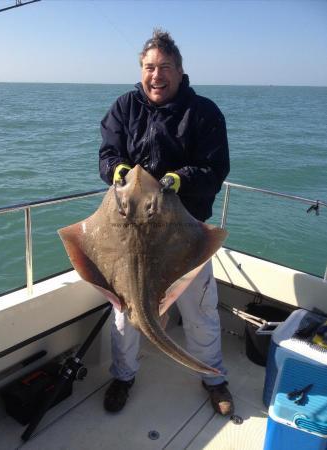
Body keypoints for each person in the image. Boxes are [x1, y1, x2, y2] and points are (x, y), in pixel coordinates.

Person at [98, 29, 233, 416]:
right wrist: (118, 169)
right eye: (149, 67)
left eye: (165, 68)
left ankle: (213, 377)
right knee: (126, 315)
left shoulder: (203, 112)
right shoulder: (124, 108)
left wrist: (177, 180)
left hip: (183, 232)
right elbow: (107, 155)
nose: (156, 76)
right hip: (127, 237)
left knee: (200, 311)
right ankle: (123, 376)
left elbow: (215, 166)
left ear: (180, 70)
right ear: (141, 70)